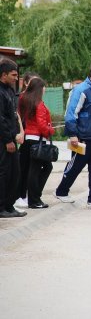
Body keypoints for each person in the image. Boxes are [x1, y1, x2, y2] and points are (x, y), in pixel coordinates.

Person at [55, 62, 91, 209]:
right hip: (83, 138)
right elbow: (71, 113)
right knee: (75, 166)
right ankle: (61, 191)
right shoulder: (81, 90)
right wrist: (73, 134)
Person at [17, 78, 55, 209]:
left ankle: (33, 197)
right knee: (38, 169)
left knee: (34, 169)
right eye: (44, 87)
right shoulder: (39, 104)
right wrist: (50, 130)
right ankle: (34, 199)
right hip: (37, 140)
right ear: (40, 89)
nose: (45, 90)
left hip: (29, 138)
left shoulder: (27, 101)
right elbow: (42, 125)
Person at [0, 59, 27, 218]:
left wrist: (17, 133)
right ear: (3, 75)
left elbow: (13, 116)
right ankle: (1, 207)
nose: (16, 78)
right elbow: (1, 119)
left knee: (15, 172)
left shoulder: (9, 91)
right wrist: (8, 140)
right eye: (13, 75)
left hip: (12, 139)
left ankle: (9, 206)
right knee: (4, 173)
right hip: (4, 141)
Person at [14, 71, 39, 209]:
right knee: (22, 167)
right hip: (22, 134)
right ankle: (19, 195)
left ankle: (27, 194)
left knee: (29, 167)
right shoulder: (21, 97)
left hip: (30, 135)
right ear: (25, 83)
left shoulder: (34, 98)